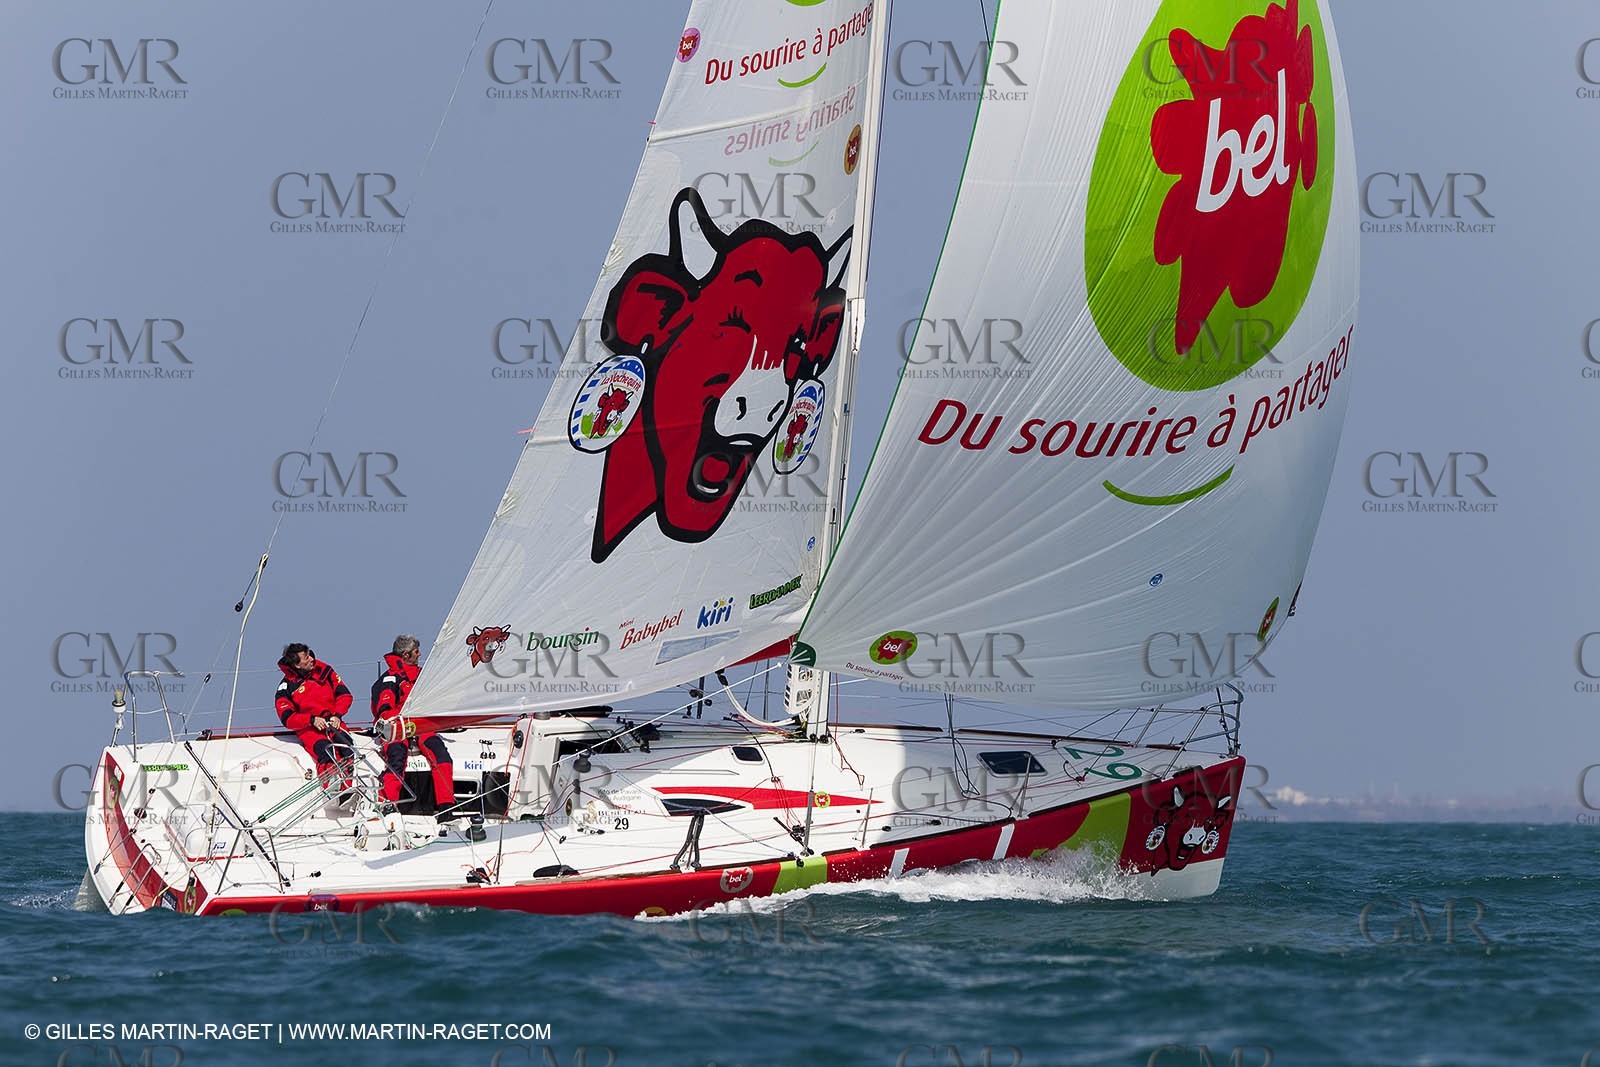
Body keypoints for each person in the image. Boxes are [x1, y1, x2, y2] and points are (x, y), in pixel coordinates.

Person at [372, 635, 455, 814]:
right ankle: (387, 804)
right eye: (416, 652)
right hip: (397, 728)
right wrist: (405, 718)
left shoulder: (423, 678)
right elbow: (384, 712)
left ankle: (446, 807)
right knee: (396, 758)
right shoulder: (389, 680)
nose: (420, 654)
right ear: (405, 655)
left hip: (422, 725)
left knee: (441, 756)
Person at [275, 643, 356, 797]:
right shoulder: (286, 687)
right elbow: (287, 718)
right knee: (326, 750)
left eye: (310, 654)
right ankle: (331, 791)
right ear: (297, 665)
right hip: (310, 729)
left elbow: (344, 695)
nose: (312, 659)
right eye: (306, 658)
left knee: (346, 747)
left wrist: (337, 715)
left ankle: (348, 789)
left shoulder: (325, 671)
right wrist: (311, 720)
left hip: (333, 722)